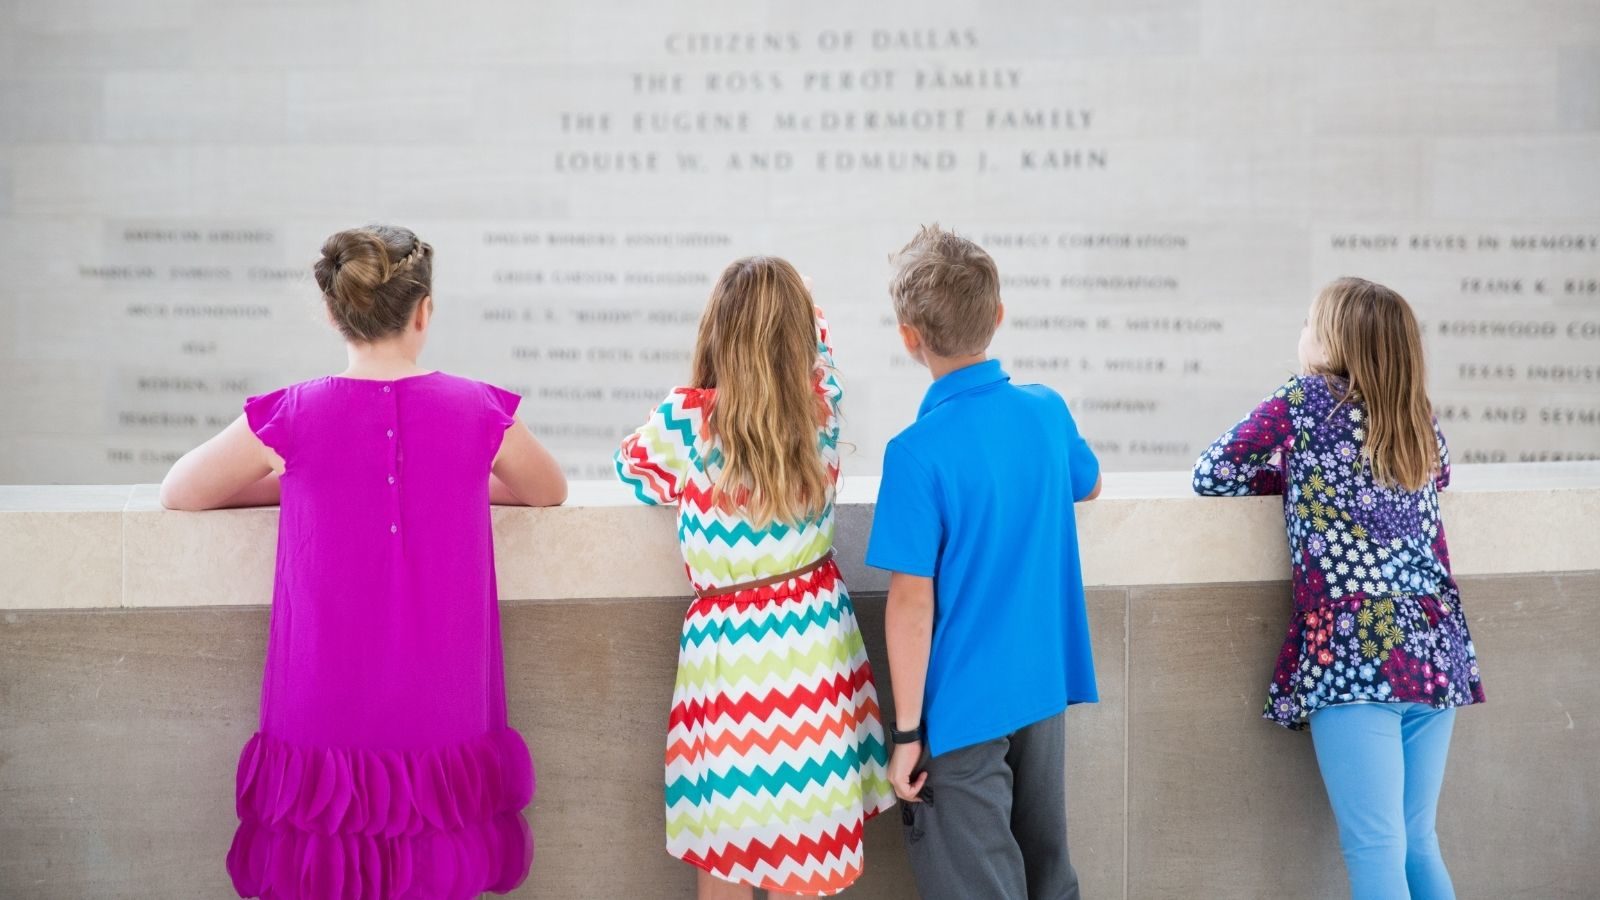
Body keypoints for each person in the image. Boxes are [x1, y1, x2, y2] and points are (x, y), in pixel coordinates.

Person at [160, 224, 566, 900]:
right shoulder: (480, 410)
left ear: (333, 312)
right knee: (437, 862)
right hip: (444, 697)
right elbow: (547, 489)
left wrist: (288, 478)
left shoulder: (292, 413)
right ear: (424, 311)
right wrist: (460, 477)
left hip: (324, 696)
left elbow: (182, 491)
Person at [1193, 276, 1485, 900]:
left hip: (1356, 654)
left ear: (1331, 342)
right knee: (1417, 841)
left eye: (1307, 322)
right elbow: (1439, 478)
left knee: (1377, 852)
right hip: (1434, 647)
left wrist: (1292, 481)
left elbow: (1212, 472)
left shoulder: (1303, 402)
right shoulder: (1415, 414)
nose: (1300, 333)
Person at [615, 257, 893, 898]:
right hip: (814, 649)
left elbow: (631, 470)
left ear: (717, 331)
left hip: (731, 659)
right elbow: (819, 356)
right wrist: (806, 309)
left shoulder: (687, 422)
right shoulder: (820, 414)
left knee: (727, 854)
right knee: (809, 860)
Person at [866, 225, 1101, 900]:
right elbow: (1088, 482)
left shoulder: (914, 453)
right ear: (997, 317)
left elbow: (911, 603)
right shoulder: (1046, 412)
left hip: (964, 710)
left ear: (909, 338)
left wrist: (906, 734)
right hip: (1043, 692)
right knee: (1050, 879)